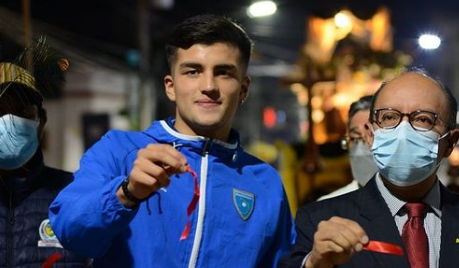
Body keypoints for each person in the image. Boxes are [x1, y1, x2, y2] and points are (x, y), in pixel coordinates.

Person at [49, 14, 295, 267]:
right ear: (170, 86)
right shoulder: (118, 149)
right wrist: (126, 193)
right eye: (193, 71)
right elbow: (70, 233)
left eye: (223, 73)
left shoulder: (266, 182)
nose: (208, 86)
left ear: (243, 89)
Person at [279, 68, 459, 268]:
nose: (403, 131)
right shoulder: (320, 221)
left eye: (423, 119)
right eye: (389, 117)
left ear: (450, 143)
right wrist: (314, 263)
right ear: (371, 136)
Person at [0, 37, 91, 267]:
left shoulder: (74, 195)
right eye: (0, 111)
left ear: (41, 121)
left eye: (23, 112)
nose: (10, 121)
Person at [318, 95, 376, 201]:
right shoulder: (328, 208)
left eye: (372, 136)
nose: (360, 151)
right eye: (354, 138)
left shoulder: (412, 207)